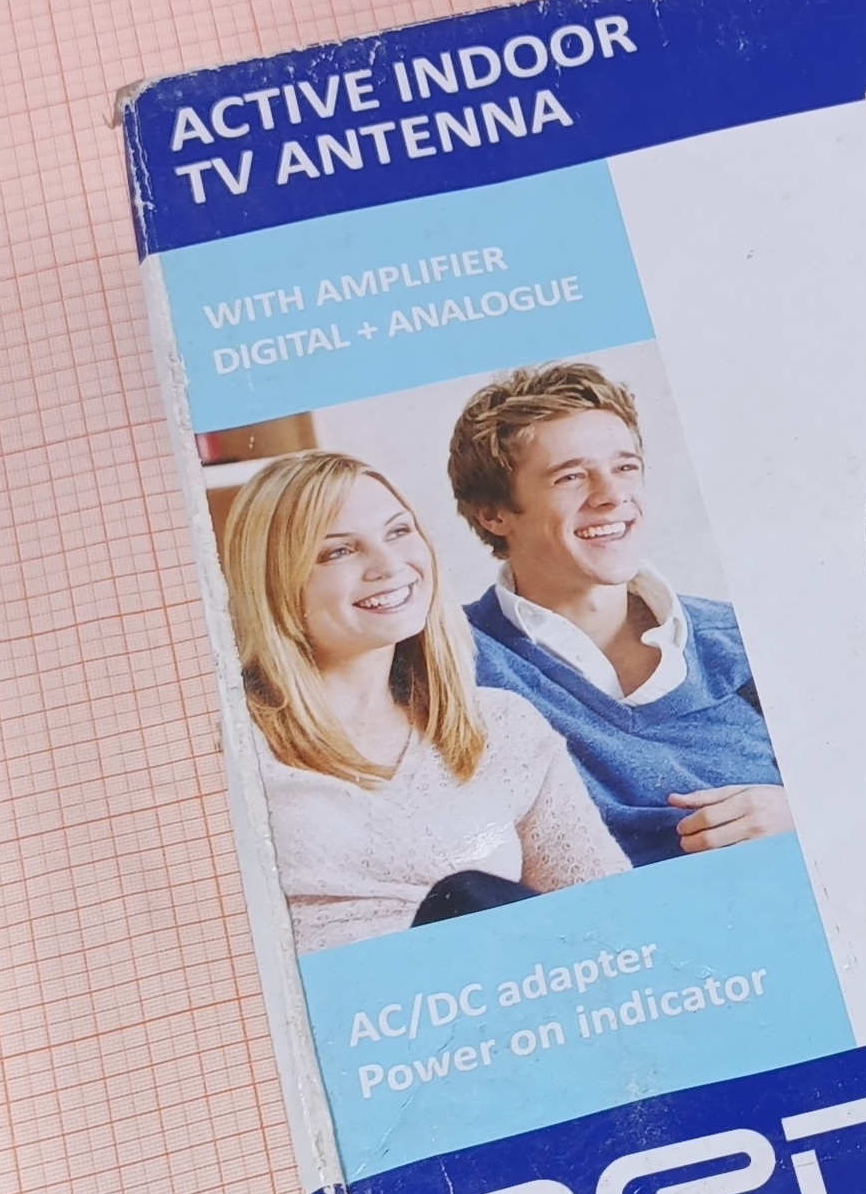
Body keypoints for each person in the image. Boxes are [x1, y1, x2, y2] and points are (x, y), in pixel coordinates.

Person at [217, 450, 622, 951]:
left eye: (399, 532)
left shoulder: (501, 726)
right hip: (341, 988)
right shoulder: (229, 751)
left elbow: (609, 913)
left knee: (470, 897)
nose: (390, 565)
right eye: (339, 552)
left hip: (500, 982)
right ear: (275, 582)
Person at [446, 362, 790, 867]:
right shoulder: (446, 659)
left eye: (625, 467)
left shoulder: (744, 635)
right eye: (571, 477)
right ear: (494, 514)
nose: (612, 497)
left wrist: (800, 813)